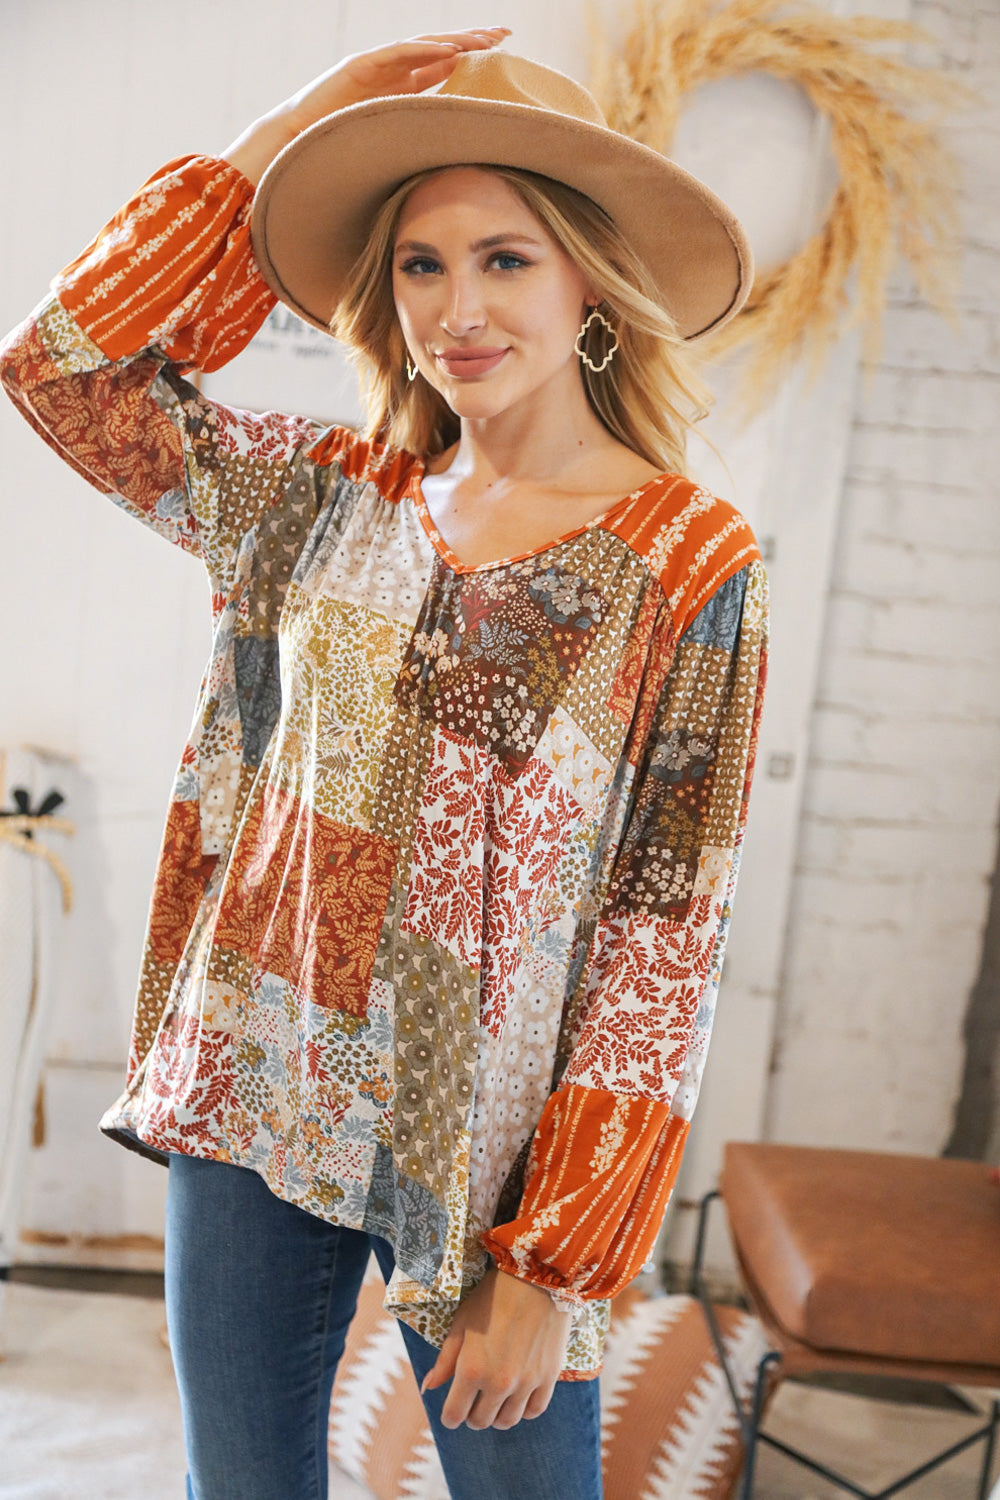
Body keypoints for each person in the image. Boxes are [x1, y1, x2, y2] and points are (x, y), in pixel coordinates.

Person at [0, 27, 768, 1500]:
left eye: (505, 259)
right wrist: (285, 131)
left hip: (486, 1153)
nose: (457, 308)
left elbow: (664, 939)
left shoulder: (687, 558)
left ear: (591, 282)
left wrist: (552, 1263)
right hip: (254, 1084)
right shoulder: (321, 498)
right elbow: (61, 371)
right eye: (421, 264)